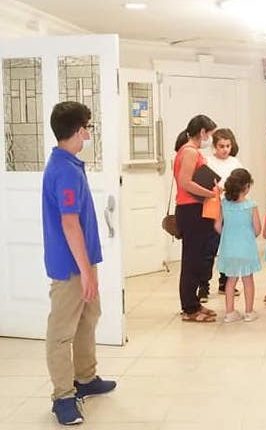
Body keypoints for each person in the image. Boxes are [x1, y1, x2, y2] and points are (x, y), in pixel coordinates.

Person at [42, 101, 117, 425]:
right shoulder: (63, 171)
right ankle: (63, 397)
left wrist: (90, 268)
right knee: (61, 332)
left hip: (83, 261)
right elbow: (69, 224)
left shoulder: (70, 164)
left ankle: (85, 378)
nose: (89, 131)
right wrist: (85, 272)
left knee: (89, 317)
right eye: (88, 126)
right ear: (78, 130)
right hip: (70, 266)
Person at [174, 114, 219, 323]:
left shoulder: (187, 150)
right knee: (192, 260)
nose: (209, 138)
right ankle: (189, 308)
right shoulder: (190, 151)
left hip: (194, 209)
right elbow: (185, 182)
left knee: (196, 257)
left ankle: (193, 302)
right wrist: (209, 193)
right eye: (209, 134)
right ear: (202, 132)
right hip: (191, 210)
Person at [200, 128, 244, 300]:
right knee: (209, 249)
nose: (225, 149)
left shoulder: (235, 162)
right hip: (213, 208)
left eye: (227, 146)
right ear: (214, 147)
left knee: (229, 248)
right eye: (221, 146)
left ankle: (226, 283)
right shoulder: (208, 162)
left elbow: (242, 183)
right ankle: (203, 286)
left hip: (231, 208)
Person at [215, 168, 262, 323]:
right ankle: (249, 312)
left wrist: (228, 235)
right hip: (246, 249)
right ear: (247, 187)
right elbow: (257, 229)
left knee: (230, 281)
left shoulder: (223, 204)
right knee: (248, 279)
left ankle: (230, 313)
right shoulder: (251, 205)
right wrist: (248, 236)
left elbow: (217, 226)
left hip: (228, 249)